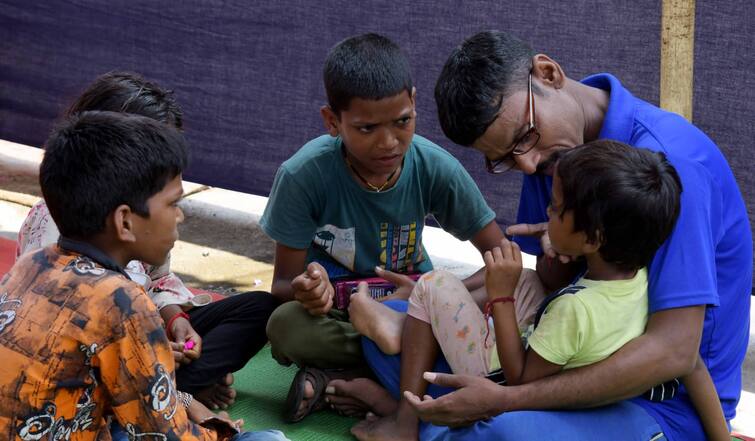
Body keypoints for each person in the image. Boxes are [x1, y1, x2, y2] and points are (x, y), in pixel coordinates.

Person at [360, 30, 751, 441]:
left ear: (547, 73)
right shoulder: (551, 160)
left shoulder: (669, 167)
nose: (528, 165)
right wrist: (456, 290)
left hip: (659, 402)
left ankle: (434, 420)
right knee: (397, 333)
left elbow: (675, 353)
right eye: (505, 160)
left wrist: (502, 399)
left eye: (524, 138)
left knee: (502, 431)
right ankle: (439, 419)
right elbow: (550, 287)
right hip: (565, 357)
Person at [352, 140, 730, 441]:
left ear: (594, 238)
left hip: (509, 378)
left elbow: (518, 379)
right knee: (527, 282)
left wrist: (500, 297)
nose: (547, 215)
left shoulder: (574, 310)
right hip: (556, 361)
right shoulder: (643, 278)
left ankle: (407, 417)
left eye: (556, 209)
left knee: (434, 285)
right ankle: (413, 398)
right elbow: (693, 363)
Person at [260, 33, 543, 422]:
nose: (389, 143)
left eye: (402, 121)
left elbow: (502, 260)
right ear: (332, 121)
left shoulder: (434, 166)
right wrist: (311, 294)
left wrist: (437, 298)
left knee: (526, 282)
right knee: (285, 327)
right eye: (366, 129)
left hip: (414, 311)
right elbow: (282, 286)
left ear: (414, 102)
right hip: (342, 317)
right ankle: (393, 372)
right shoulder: (303, 175)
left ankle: (352, 377)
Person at [0, 111, 288, 441]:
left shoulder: (34, 262)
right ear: (125, 222)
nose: (179, 215)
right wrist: (214, 430)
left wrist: (185, 402)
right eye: (173, 203)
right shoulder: (121, 301)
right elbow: (165, 435)